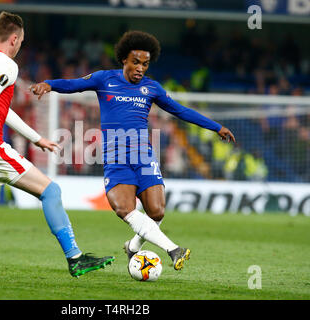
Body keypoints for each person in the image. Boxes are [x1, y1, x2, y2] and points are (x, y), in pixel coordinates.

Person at [0, 12, 114, 286]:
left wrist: (36, 138)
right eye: (21, 41)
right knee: (51, 191)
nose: (20, 46)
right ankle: (75, 258)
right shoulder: (7, 64)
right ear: (14, 39)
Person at [30, 31, 236, 271]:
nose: (140, 68)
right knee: (125, 209)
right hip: (115, 157)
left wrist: (216, 127)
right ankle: (173, 249)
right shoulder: (104, 79)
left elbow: (181, 111)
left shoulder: (152, 88)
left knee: (157, 212)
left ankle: (133, 247)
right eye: (136, 62)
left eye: (145, 64)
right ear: (124, 60)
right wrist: (49, 84)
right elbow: (74, 84)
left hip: (143, 156)